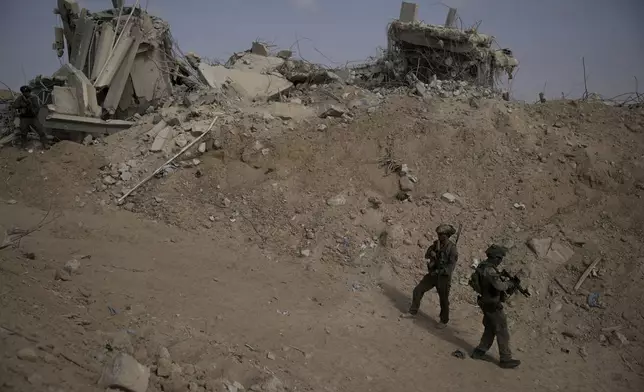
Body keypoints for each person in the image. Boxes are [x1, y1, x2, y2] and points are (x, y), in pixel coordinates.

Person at [470, 244, 521, 369]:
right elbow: (499, 286)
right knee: (502, 330)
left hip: (485, 302)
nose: (500, 261)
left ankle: (479, 351)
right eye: (500, 258)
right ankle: (505, 358)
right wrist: (510, 283)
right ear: (496, 258)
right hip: (492, 304)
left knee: (490, 328)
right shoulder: (490, 270)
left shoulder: (483, 266)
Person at [402, 224, 458, 328]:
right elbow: (426, 255)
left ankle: (444, 321)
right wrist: (432, 253)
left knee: (443, 300)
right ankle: (413, 311)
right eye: (438, 234)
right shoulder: (436, 244)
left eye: (440, 234)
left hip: (443, 277)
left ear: (446, 235)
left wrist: (440, 271)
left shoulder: (452, 249)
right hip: (432, 275)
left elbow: (450, 267)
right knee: (418, 290)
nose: (438, 236)